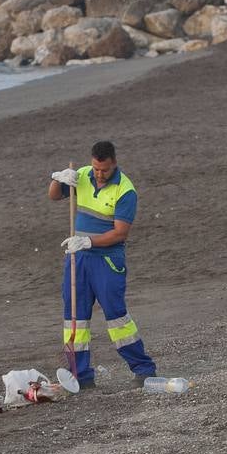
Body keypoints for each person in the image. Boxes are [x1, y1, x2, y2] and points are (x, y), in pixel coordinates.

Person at [48, 141, 157, 387]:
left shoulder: (125, 190)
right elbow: (54, 196)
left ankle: (144, 369)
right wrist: (58, 179)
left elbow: (120, 233)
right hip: (77, 257)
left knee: (117, 317)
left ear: (114, 163)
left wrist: (88, 241)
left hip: (107, 260)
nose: (99, 174)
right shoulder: (83, 175)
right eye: (96, 169)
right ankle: (80, 375)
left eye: (104, 170)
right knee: (74, 317)